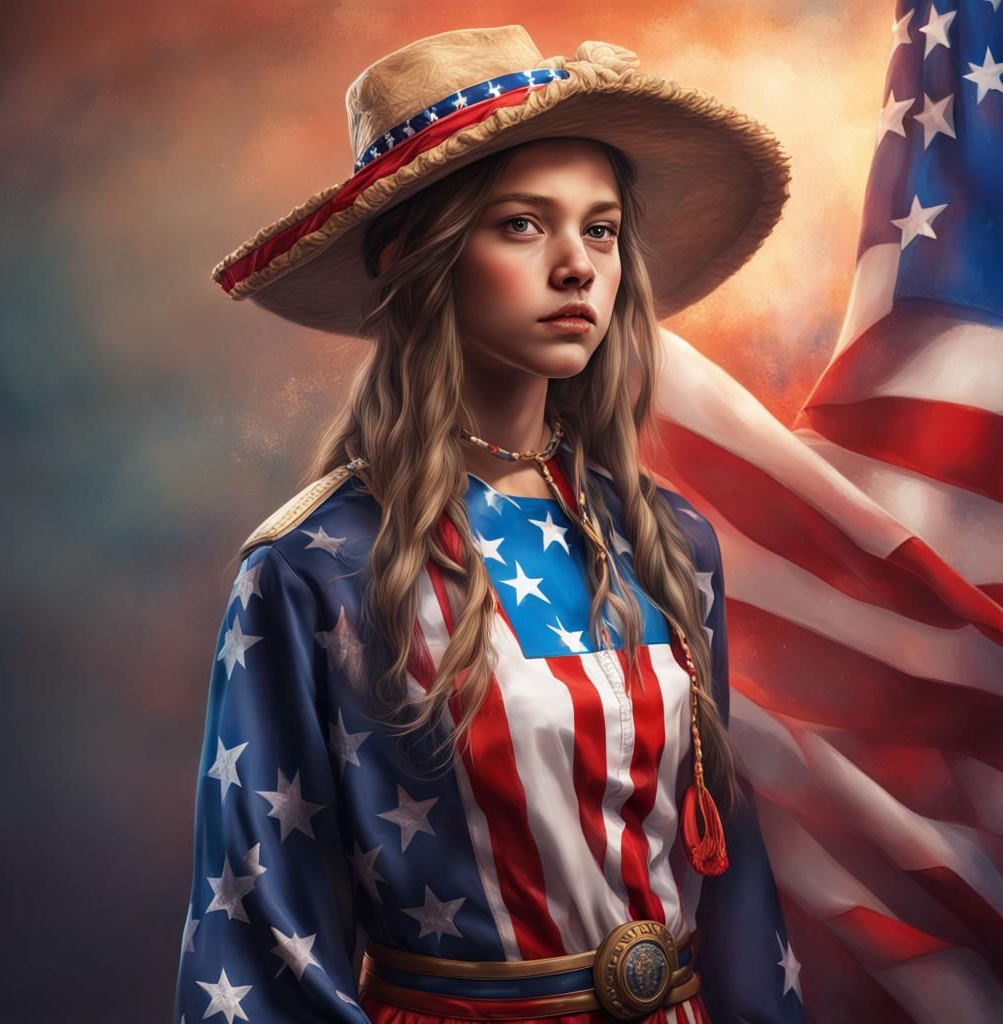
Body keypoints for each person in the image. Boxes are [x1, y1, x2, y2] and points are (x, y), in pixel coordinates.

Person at [175, 25, 805, 1024]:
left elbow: (730, 882)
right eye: (522, 224)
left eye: (599, 230)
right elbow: (263, 939)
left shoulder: (670, 540)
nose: (577, 266)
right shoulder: (315, 567)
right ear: (414, 258)